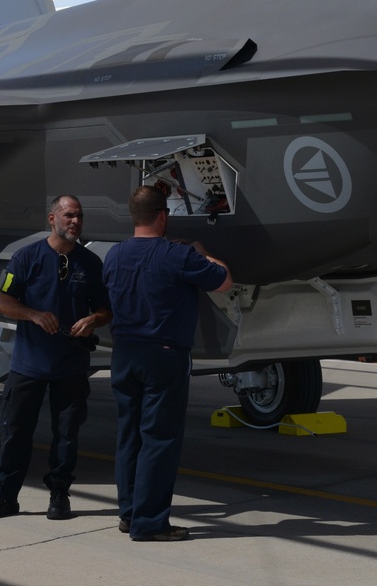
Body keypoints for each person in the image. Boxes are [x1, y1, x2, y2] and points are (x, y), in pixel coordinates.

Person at [103, 185, 233, 541]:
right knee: (159, 439)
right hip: (162, 355)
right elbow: (224, 281)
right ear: (163, 215)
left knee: (129, 437)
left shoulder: (114, 255)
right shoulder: (177, 255)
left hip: (124, 354)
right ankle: (150, 523)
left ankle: (130, 513)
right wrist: (203, 253)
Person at [0, 194, 112, 521]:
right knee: (16, 432)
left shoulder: (90, 263)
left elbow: (106, 309)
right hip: (29, 365)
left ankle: (60, 495)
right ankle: (5, 497)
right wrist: (34, 314)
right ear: (51, 219)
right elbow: (3, 302)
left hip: (71, 365)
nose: (75, 222)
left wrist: (93, 320)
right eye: (68, 216)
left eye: (79, 216)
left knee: (66, 434)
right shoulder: (26, 258)